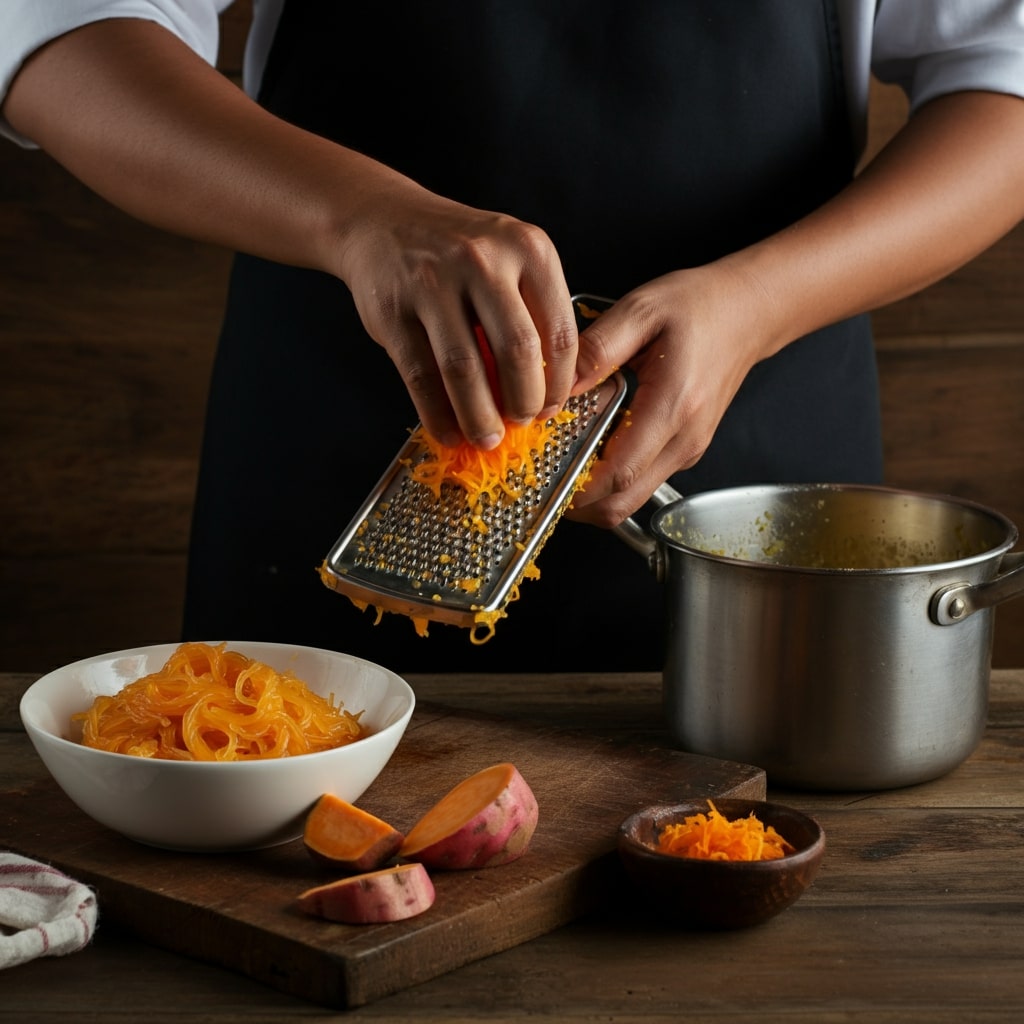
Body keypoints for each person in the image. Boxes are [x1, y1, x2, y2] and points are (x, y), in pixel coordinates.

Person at [3, 2, 1024, 673]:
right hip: (332, 449)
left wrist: (758, 303)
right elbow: (62, 30)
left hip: (751, 483)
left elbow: (1004, 67)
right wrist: (357, 215)